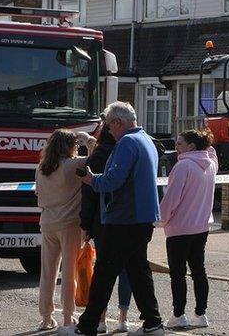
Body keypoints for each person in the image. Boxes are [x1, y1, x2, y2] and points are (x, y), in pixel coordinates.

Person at [66, 102, 164, 336]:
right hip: (142, 218)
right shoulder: (146, 140)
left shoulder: (126, 142)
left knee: (104, 274)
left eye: (109, 126)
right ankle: (153, 323)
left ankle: (87, 327)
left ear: (118, 122)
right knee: (138, 271)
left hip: (123, 219)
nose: (108, 131)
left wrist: (92, 180)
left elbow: (113, 180)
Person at [158, 129, 218, 329]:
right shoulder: (210, 164)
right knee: (199, 271)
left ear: (191, 146)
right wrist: (205, 142)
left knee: (178, 273)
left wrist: (160, 219)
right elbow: (211, 151)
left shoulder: (183, 166)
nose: (176, 147)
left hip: (179, 228)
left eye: (180, 143)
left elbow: (171, 199)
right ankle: (201, 314)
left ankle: (178, 314)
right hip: (201, 227)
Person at [35, 129, 92, 330]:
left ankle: (46, 317)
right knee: (69, 273)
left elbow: (38, 193)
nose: (77, 148)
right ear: (69, 146)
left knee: (47, 272)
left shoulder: (42, 167)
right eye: (75, 145)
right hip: (70, 224)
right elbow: (97, 158)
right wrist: (88, 140)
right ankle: (68, 317)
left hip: (47, 222)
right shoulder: (72, 165)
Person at [79, 128, 133, 334]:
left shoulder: (97, 157)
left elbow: (89, 193)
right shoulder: (131, 151)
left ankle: (101, 320)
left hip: (102, 221)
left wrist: (85, 224)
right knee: (126, 269)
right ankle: (123, 318)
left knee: (103, 271)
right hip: (128, 219)